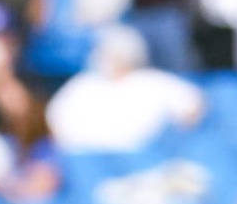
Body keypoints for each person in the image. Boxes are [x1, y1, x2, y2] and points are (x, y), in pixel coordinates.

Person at [46, 24, 204, 153]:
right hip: (87, 160)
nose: (111, 60)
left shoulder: (150, 81)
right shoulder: (84, 84)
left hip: (142, 159)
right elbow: (54, 117)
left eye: (116, 55)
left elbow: (191, 103)